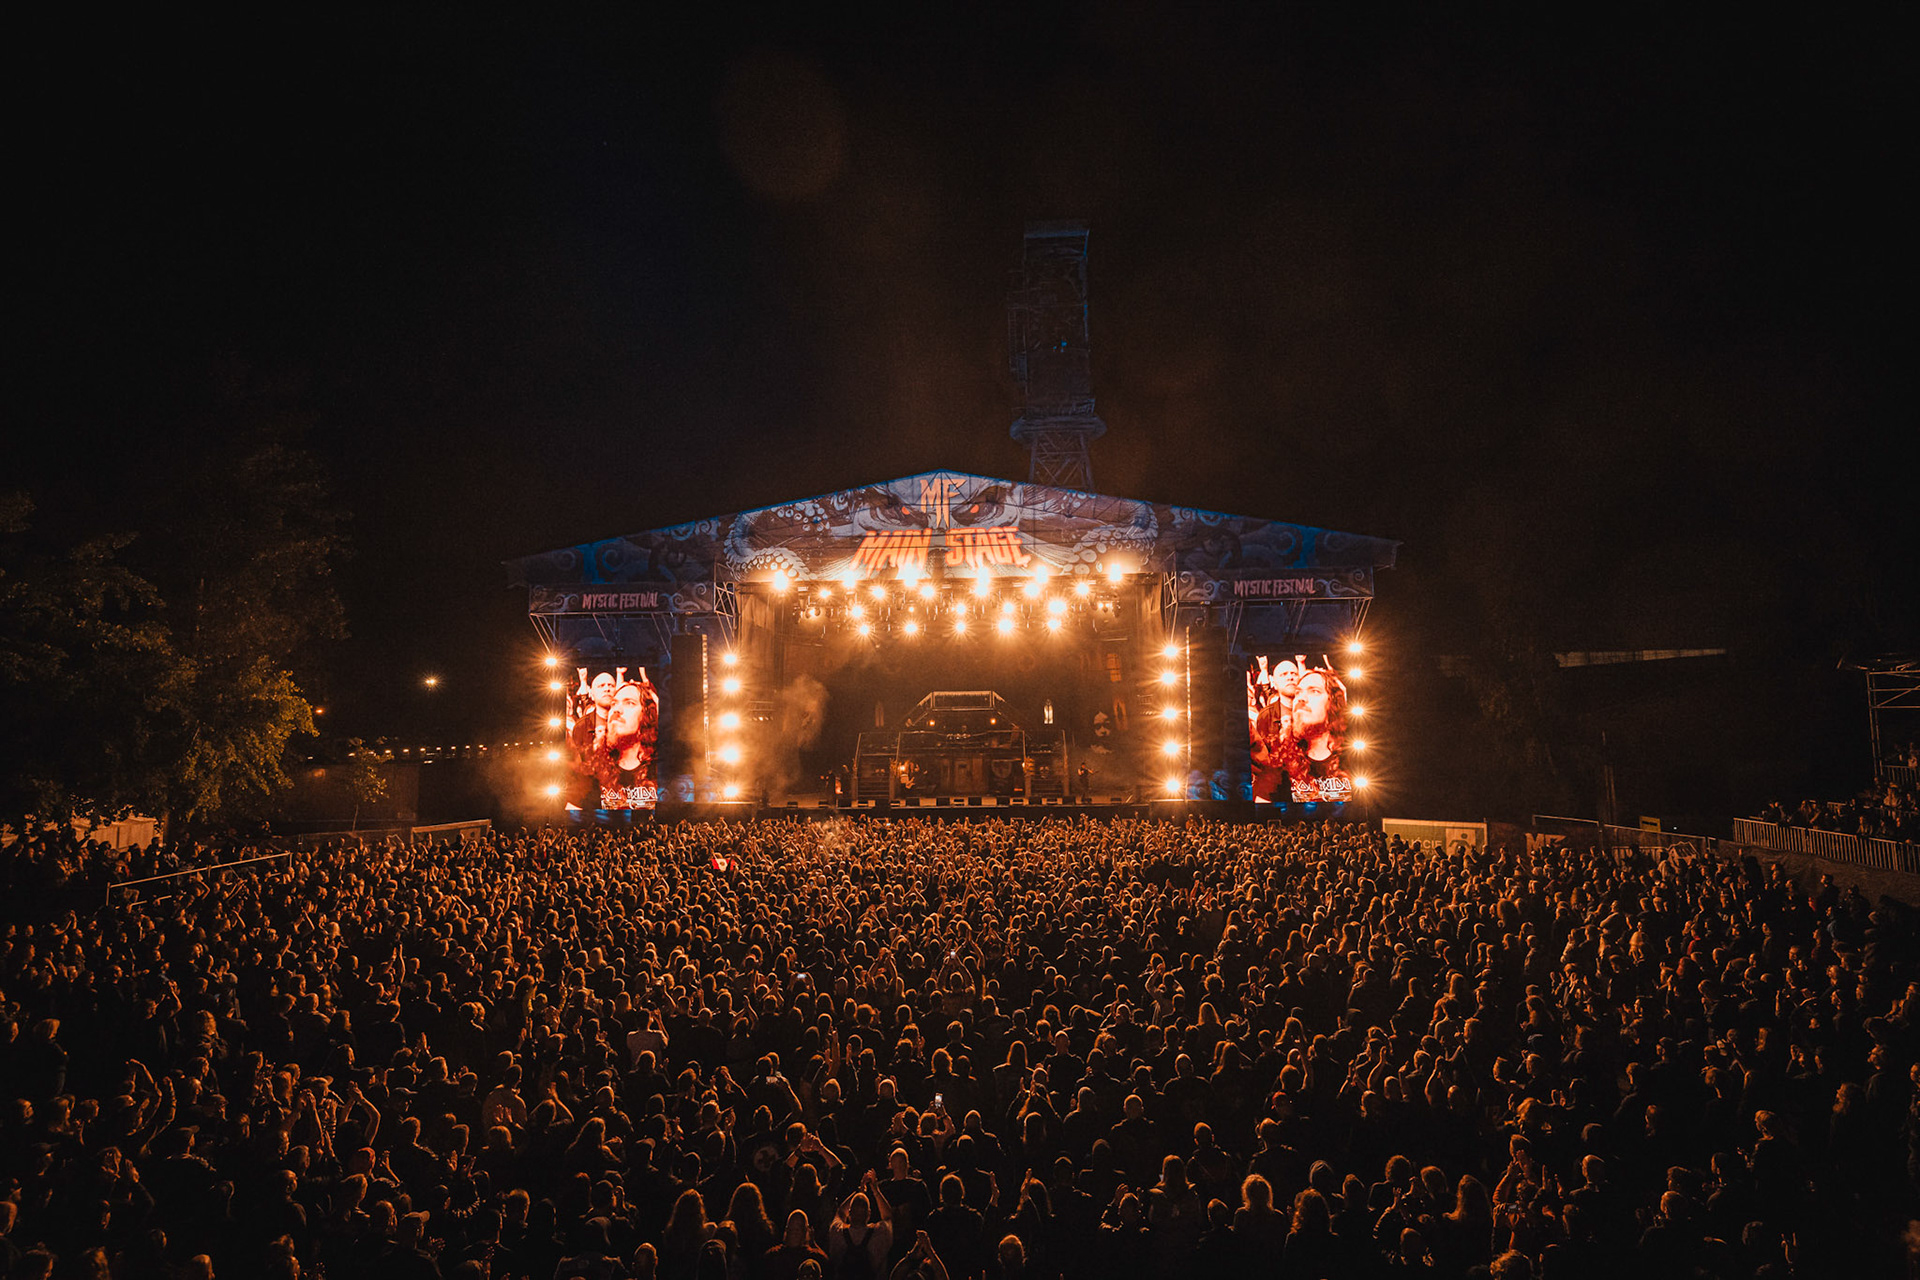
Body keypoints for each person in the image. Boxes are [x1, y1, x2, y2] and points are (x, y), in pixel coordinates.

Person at [1280, 668, 1350, 802]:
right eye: (1298, 692)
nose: (1300, 698)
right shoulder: (1281, 764)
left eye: (1314, 691)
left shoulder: (1354, 756)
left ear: (1333, 704)